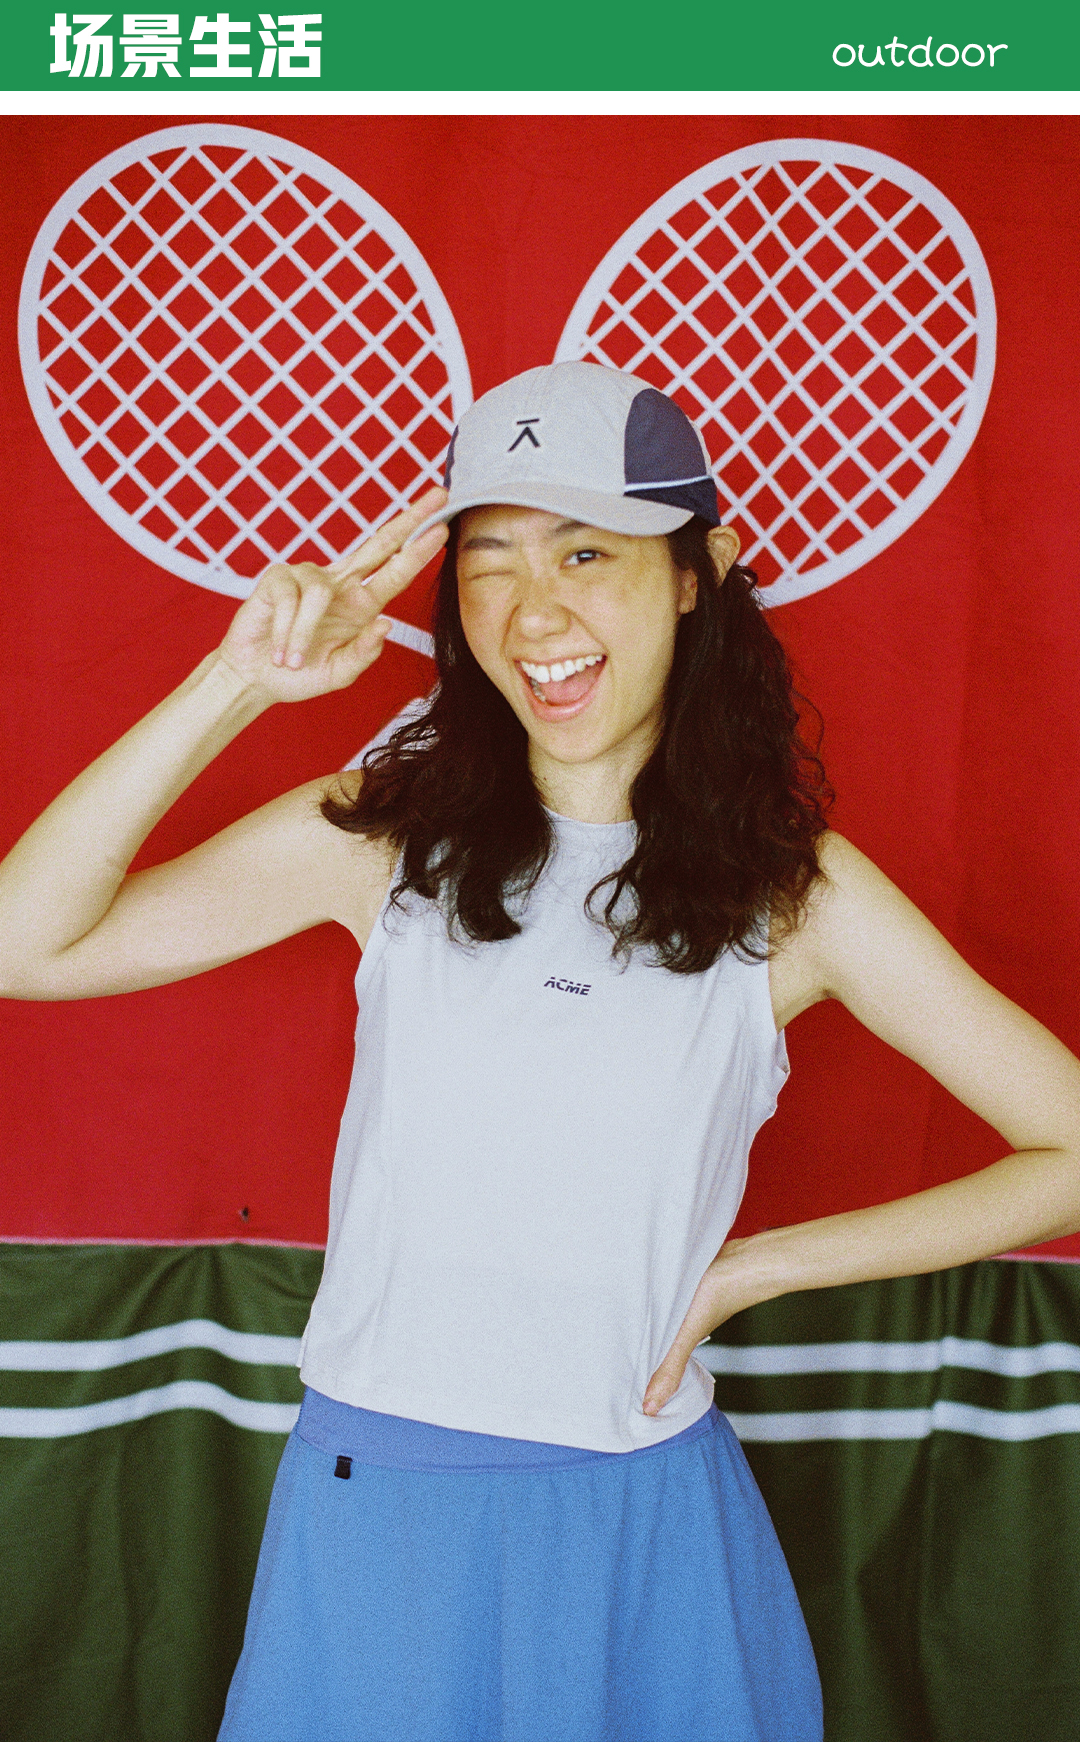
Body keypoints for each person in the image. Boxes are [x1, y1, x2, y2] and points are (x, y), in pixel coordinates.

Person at [1, 361, 1078, 1742]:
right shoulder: (386, 839)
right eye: (489, 563)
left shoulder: (794, 896)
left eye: (585, 553)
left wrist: (759, 1268)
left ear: (696, 574)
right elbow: (28, 947)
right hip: (378, 1505)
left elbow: (1067, 1144)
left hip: (643, 1512)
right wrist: (237, 682)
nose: (533, 613)